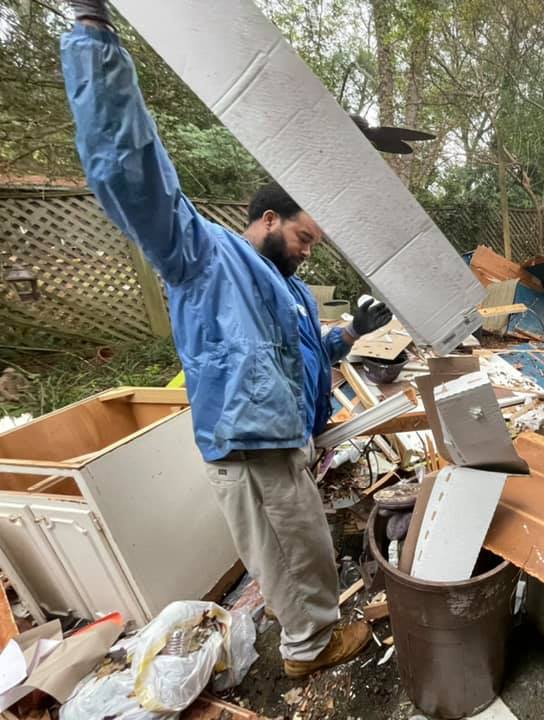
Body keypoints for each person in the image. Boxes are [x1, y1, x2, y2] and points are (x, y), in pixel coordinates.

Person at [61, 2, 393, 679]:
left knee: (300, 551)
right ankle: (308, 649)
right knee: (291, 553)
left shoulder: (288, 286)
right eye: (301, 238)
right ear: (267, 217)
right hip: (250, 444)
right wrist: (96, 39)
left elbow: (308, 358)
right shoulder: (204, 256)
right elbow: (132, 173)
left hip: (282, 440)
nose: (305, 253)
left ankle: (305, 628)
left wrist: (353, 331)